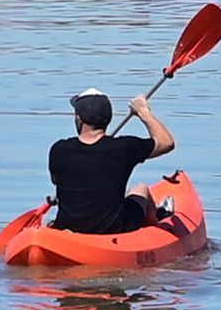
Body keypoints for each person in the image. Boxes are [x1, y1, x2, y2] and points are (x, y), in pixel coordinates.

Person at [48, 88, 173, 233]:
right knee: (141, 189)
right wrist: (143, 113)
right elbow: (166, 143)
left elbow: (56, 181)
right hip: (113, 230)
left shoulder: (59, 150)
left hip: (67, 228)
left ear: (79, 119)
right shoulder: (124, 147)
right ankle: (155, 225)